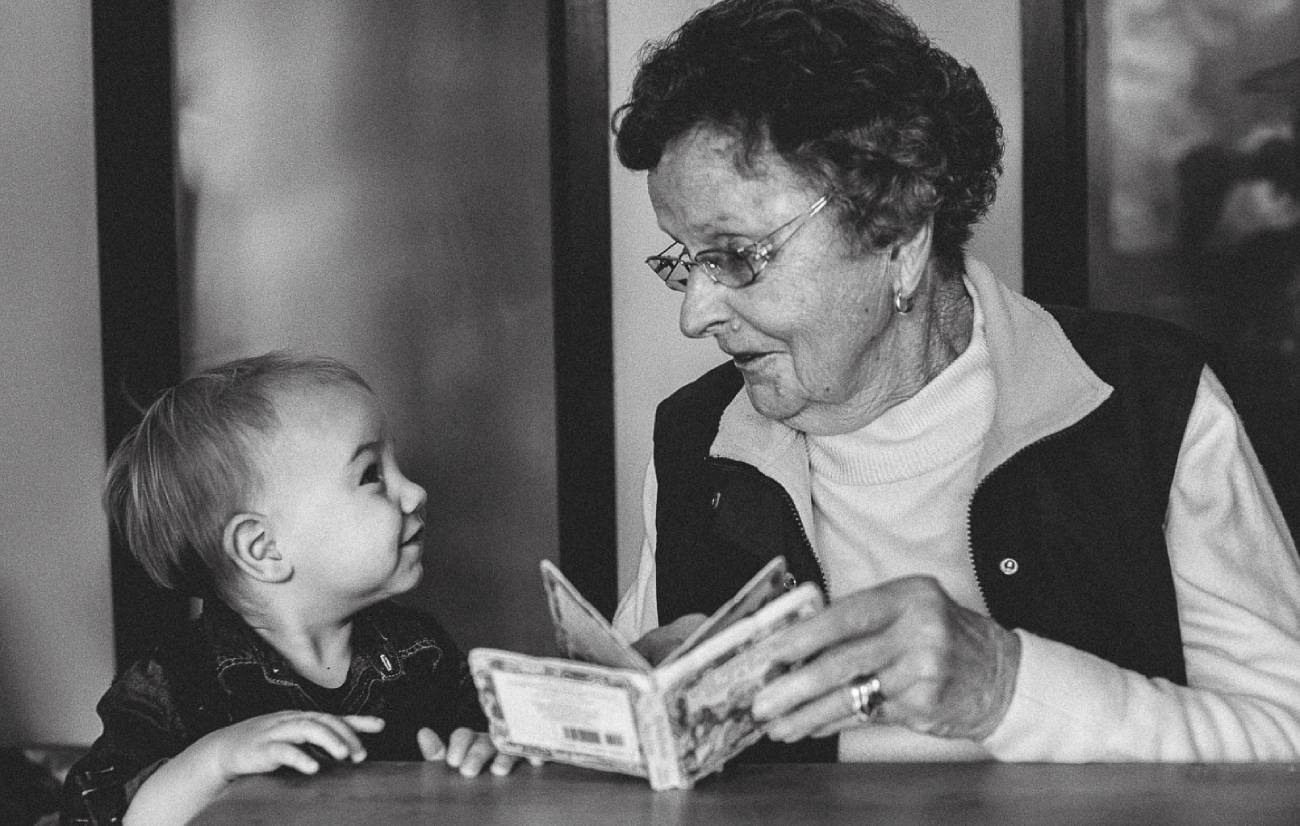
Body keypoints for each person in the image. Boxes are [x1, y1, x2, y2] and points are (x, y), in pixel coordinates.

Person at [610, 0, 1300, 764]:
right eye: (686, 260)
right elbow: (625, 736)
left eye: (735, 254)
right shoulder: (696, 440)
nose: (695, 315)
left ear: (901, 240)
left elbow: (1287, 740)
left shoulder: (1149, 404)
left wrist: (1004, 687)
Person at [61, 353, 515, 825]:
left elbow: (488, 739)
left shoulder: (420, 649)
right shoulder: (176, 680)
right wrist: (213, 761)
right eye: (372, 475)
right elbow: (93, 810)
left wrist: (482, 748)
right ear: (264, 548)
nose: (415, 492)